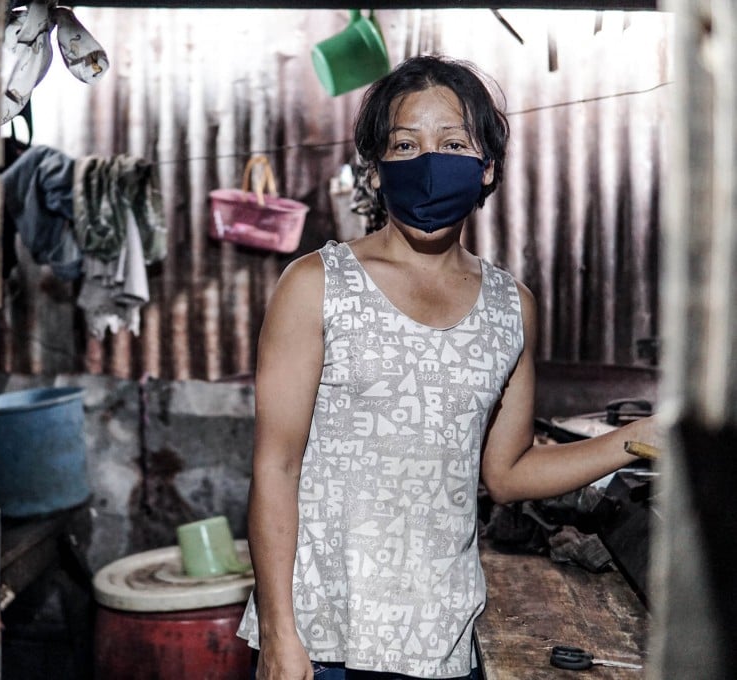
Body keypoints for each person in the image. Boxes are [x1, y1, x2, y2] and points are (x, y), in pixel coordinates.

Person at [235, 54, 660, 680]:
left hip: (439, 635)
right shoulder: (318, 283)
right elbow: (275, 465)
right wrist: (279, 634)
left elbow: (508, 474)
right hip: (322, 634)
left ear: (485, 167)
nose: (429, 162)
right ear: (376, 171)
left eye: (453, 142)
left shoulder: (511, 307)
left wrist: (636, 440)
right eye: (405, 144)